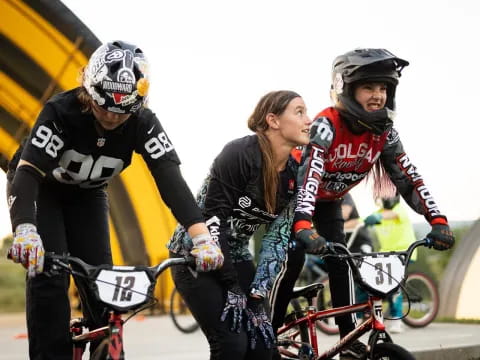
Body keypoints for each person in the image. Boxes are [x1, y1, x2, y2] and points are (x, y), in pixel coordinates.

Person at [5, 40, 223, 360]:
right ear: (88, 89)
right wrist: (25, 229)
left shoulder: (144, 122)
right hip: (41, 189)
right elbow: (27, 174)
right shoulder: (60, 111)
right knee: (48, 275)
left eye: (121, 111)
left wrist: (201, 236)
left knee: (102, 282)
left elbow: (170, 180)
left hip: (88, 193)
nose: (110, 116)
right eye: (103, 106)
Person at [270, 48, 455, 360]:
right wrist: (301, 222)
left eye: (384, 88)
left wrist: (437, 219)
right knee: (295, 258)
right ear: (346, 89)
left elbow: (409, 178)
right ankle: (266, 336)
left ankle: (348, 338)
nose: (378, 95)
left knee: (340, 260)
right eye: (369, 87)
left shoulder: (384, 134)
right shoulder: (326, 126)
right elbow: (309, 175)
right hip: (292, 195)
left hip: (328, 201)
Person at [167, 90, 312, 360]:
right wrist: (232, 286)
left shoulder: (296, 174)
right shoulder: (240, 153)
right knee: (232, 345)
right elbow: (213, 219)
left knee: (263, 346)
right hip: (196, 254)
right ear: (273, 120)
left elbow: (276, 239)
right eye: (300, 112)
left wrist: (257, 295)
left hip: (236, 254)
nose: (309, 120)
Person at [364, 193, 418, 333]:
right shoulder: (379, 212)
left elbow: (391, 215)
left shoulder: (399, 209)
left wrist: (378, 217)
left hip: (404, 251)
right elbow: (364, 220)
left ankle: (397, 319)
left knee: (396, 286)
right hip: (387, 254)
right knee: (379, 284)